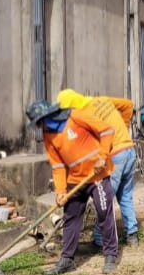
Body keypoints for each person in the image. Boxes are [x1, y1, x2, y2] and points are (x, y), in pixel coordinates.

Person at [25, 99, 119, 274]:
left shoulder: (75, 116)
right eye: (37, 123)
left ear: (48, 115)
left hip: (97, 174)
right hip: (76, 179)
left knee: (104, 211)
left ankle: (111, 255)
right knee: (71, 216)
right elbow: (58, 165)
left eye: (40, 121)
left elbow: (106, 130)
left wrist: (102, 155)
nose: (39, 126)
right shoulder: (48, 135)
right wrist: (60, 191)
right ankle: (67, 259)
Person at [56, 89, 139, 248]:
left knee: (104, 201)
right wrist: (124, 128)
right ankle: (132, 235)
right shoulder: (102, 99)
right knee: (125, 196)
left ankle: (99, 239)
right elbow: (128, 105)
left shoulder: (83, 115)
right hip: (129, 150)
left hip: (115, 155)